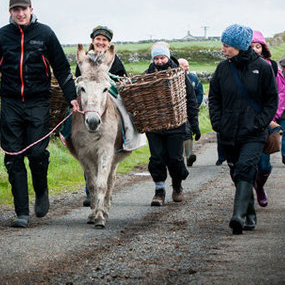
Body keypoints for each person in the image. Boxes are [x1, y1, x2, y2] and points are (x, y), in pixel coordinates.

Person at [0, 0, 79, 229]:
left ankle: (41, 190)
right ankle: (21, 212)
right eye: (15, 10)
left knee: (37, 154)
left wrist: (73, 98)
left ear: (31, 9)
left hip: (38, 102)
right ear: (10, 12)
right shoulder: (1, 37)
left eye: (23, 9)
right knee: (13, 157)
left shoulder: (45, 34)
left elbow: (62, 68)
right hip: (11, 103)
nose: (20, 13)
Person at [209, 24, 278, 234]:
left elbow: (271, 101)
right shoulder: (222, 68)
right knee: (235, 171)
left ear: (239, 45)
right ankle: (250, 213)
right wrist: (217, 123)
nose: (223, 49)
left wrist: (259, 123)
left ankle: (237, 216)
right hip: (228, 133)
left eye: (227, 46)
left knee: (246, 168)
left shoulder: (263, 68)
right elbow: (214, 98)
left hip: (254, 133)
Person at [74, 25, 144, 207]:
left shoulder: (114, 60)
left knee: (123, 109)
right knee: (72, 118)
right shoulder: (84, 60)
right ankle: (68, 136)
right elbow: (77, 78)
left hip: (109, 94)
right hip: (87, 98)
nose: (101, 42)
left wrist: (113, 83)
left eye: (104, 40)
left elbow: (122, 79)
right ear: (92, 41)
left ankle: (129, 136)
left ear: (108, 43)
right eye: (98, 39)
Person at [145, 43, 200, 206]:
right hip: (154, 126)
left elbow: (191, 100)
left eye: (162, 57)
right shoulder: (147, 75)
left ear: (168, 57)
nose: (160, 61)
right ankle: (159, 191)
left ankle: (177, 185)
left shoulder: (179, 75)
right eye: (156, 58)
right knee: (157, 158)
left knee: (175, 159)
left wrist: (194, 125)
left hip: (176, 125)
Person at [249, 30, 285, 207]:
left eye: (258, 46)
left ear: (263, 48)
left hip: (266, 120)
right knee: (247, 163)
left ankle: (260, 185)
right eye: (251, 46)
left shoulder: (272, 66)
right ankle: (246, 199)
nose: (255, 50)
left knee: (265, 165)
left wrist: (275, 114)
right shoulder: (239, 66)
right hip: (246, 122)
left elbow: (281, 91)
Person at [178, 58, 204, 167]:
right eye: (184, 66)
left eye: (187, 65)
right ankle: (178, 157)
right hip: (176, 111)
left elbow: (199, 92)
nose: (187, 68)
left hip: (189, 110)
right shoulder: (175, 78)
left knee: (188, 131)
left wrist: (195, 105)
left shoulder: (193, 78)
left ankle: (189, 156)